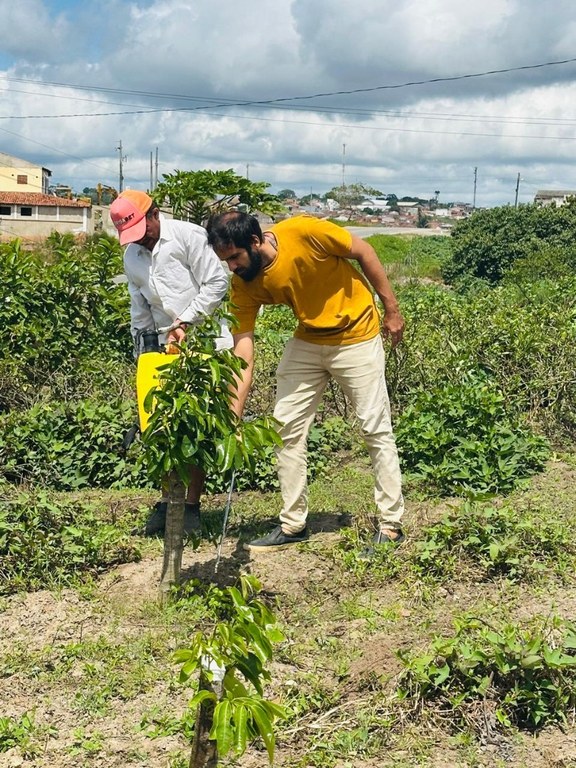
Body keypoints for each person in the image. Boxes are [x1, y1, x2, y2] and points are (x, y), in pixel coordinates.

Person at [206, 211, 405, 555]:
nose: (232, 268)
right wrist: (233, 412)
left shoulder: (304, 231)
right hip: (309, 339)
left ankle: (390, 526)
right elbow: (243, 351)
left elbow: (365, 252)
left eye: (235, 257)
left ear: (255, 241)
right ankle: (292, 524)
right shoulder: (243, 283)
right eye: (225, 261)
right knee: (285, 428)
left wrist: (391, 309)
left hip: (356, 334)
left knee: (375, 428)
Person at [110, 189, 233, 536]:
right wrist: (143, 355)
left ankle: (190, 506)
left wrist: (186, 322)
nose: (142, 239)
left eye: (143, 229)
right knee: (161, 425)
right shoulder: (132, 256)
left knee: (193, 424)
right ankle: (168, 501)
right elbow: (141, 310)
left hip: (203, 340)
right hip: (163, 346)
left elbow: (216, 282)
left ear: (154, 213)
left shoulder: (187, 236)